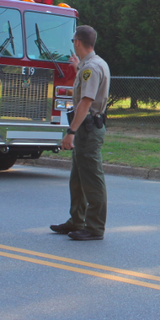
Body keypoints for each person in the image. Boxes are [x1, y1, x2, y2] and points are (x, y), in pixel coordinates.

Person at [50, 25, 111, 241]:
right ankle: (76, 220)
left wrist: (70, 132)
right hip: (87, 127)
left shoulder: (91, 68)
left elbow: (86, 102)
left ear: (77, 42)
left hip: (86, 128)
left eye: (72, 42)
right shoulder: (90, 65)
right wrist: (78, 67)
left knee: (92, 180)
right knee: (77, 179)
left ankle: (94, 227)